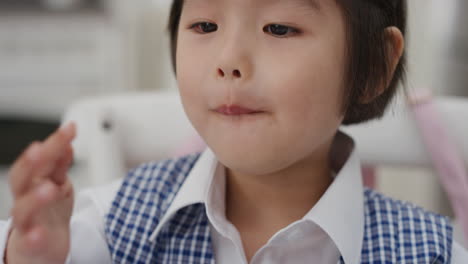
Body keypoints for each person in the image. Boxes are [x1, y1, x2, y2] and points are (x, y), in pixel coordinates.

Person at [1, 0, 468, 263]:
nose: (228, 60)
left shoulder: (432, 252)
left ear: (374, 68)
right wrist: (31, 254)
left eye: (279, 28)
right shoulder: (107, 225)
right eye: (204, 24)